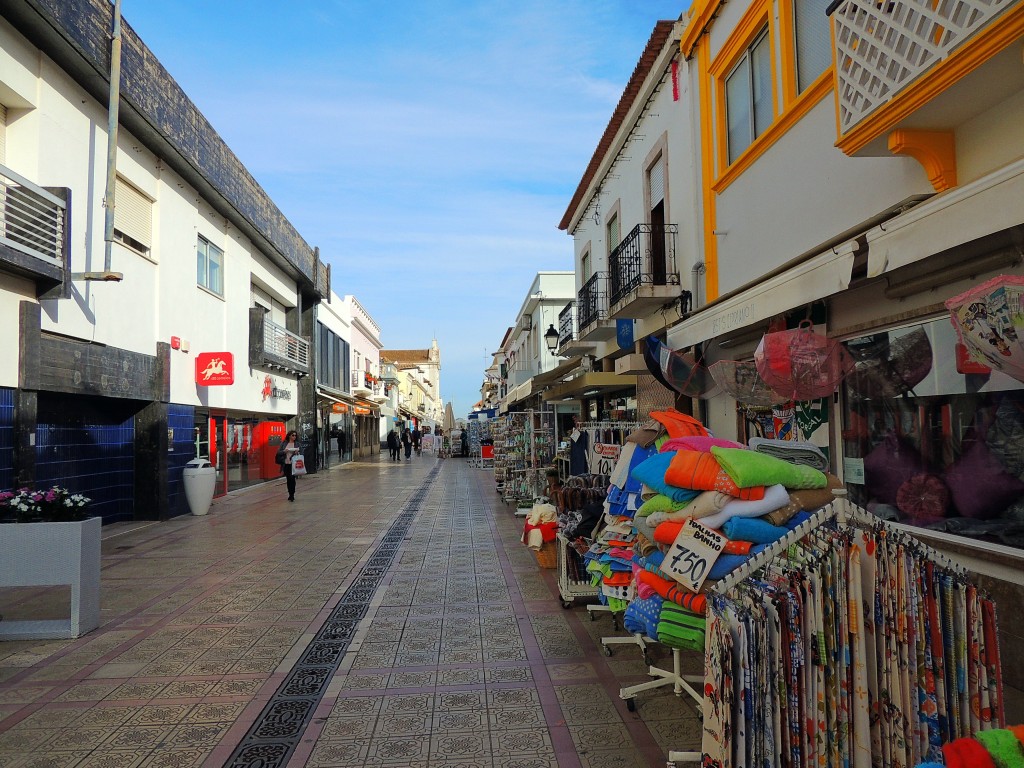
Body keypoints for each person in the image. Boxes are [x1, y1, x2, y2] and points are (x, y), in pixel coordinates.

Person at [275, 430, 302, 502]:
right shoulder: (284, 443)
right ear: (289, 436)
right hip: (286, 464)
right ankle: (290, 493)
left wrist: (297, 452)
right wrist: (284, 451)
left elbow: (302, 453)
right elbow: (278, 452)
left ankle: (292, 494)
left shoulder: (297, 444)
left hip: (294, 464)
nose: (294, 437)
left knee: (292, 479)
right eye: (293, 435)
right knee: (288, 479)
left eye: (295, 435)